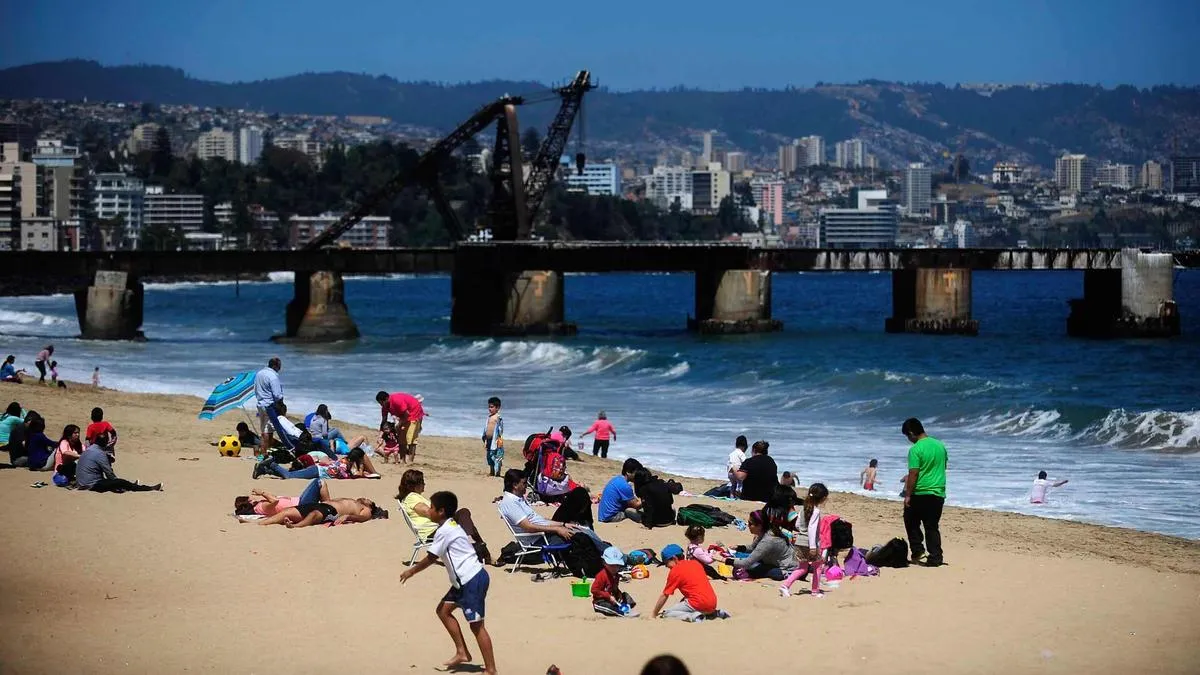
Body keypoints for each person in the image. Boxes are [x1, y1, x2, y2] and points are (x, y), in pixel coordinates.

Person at [400, 491, 498, 675]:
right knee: (443, 611)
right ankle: (462, 652)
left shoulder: (445, 531)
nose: (428, 510)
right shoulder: (449, 524)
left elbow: (431, 558)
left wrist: (411, 571)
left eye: (431, 507)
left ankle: (491, 670)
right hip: (464, 582)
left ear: (441, 511)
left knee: (477, 626)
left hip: (472, 580)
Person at [397, 469, 492, 563]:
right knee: (463, 513)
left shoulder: (412, 497)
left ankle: (481, 550)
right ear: (414, 485)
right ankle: (474, 546)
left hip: (436, 529)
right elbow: (428, 512)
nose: (424, 484)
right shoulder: (412, 497)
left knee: (464, 517)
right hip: (433, 532)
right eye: (422, 482)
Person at [498, 469, 604, 549]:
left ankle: (605, 550)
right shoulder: (510, 503)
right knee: (581, 535)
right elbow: (528, 527)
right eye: (524, 483)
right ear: (515, 485)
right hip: (538, 540)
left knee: (582, 528)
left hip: (545, 532)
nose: (526, 486)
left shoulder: (518, 499)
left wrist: (563, 524)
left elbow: (538, 520)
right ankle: (606, 552)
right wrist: (557, 529)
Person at [902, 418, 948, 567]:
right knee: (932, 526)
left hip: (921, 492)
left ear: (911, 433)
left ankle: (918, 551)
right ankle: (936, 557)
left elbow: (914, 473)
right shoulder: (940, 446)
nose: (908, 439)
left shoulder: (916, 449)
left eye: (907, 436)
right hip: (938, 492)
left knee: (910, 521)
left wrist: (908, 494)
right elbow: (943, 466)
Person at [779, 482, 829, 597]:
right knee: (818, 566)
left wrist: (802, 531)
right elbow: (812, 528)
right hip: (809, 543)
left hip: (800, 541)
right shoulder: (815, 511)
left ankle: (785, 585)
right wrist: (813, 546)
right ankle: (815, 591)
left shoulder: (803, 510)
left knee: (802, 567)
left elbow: (797, 525)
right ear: (822, 498)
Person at [652, 544, 724, 621]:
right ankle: (716, 613)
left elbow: (664, 595)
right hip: (713, 603)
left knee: (666, 613)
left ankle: (693, 616)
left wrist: (654, 614)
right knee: (689, 603)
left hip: (698, 604)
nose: (666, 566)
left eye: (666, 563)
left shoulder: (675, 570)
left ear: (675, 558)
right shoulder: (696, 564)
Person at [724, 509, 798, 581]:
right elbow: (753, 548)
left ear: (759, 526)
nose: (748, 526)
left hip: (787, 569)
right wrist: (738, 547)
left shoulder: (768, 540)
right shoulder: (765, 532)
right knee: (746, 564)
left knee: (753, 568)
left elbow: (746, 563)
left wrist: (724, 560)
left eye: (750, 524)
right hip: (774, 563)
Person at [75, 431, 161, 493]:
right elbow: (109, 473)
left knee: (117, 483)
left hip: (81, 483)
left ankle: (129, 485)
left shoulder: (89, 449)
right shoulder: (100, 453)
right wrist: (117, 482)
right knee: (120, 482)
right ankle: (149, 488)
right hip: (91, 485)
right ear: (105, 443)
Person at [256, 497, 386, 528]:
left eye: (368, 500)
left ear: (370, 506)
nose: (366, 498)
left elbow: (363, 518)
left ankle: (295, 526)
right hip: (321, 505)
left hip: (332, 511)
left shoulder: (367, 510)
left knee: (315, 515)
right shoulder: (355, 501)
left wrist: (348, 516)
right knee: (287, 511)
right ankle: (262, 523)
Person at [376, 390, 425, 460]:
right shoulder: (384, 406)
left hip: (414, 412)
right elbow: (384, 420)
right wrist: (380, 436)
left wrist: (399, 424)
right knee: (401, 439)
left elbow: (407, 415)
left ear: (386, 399)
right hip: (403, 415)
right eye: (379, 403)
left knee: (410, 438)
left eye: (381, 403)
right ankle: (403, 460)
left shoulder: (396, 401)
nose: (381, 405)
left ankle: (410, 460)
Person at [592, 545, 639, 617]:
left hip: (613, 599)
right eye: (612, 565)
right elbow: (594, 590)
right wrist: (608, 597)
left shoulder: (616, 575)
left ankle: (626, 608)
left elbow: (615, 588)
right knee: (607, 607)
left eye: (617, 565)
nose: (615, 568)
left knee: (625, 596)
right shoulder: (601, 575)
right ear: (604, 563)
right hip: (601, 601)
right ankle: (620, 613)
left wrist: (618, 594)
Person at [254, 357, 285, 456]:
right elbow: (277, 395)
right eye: (279, 367)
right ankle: (265, 453)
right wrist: (281, 405)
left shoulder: (259, 374)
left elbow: (256, 389)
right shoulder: (273, 376)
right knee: (269, 431)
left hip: (260, 404)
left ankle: (263, 452)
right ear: (275, 366)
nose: (279, 369)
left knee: (264, 429)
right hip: (270, 405)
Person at [597, 458, 644, 523]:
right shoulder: (625, 486)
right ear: (628, 472)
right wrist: (648, 497)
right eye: (637, 474)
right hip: (611, 517)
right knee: (630, 511)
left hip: (604, 515)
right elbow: (636, 505)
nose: (638, 476)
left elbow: (632, 500)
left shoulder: (617, 479)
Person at [482, 396, 504, 477]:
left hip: (496, 440)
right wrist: (485, 438)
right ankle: (491, 471)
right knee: (489, 456)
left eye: (491, 407)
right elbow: (486, 428)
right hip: (489, 440)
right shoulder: (489, 417)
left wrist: (499, 440)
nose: (489, 409)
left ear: (497, 408)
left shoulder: (498, 417)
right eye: (489, 407)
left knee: (497, 456)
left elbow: (500, 429)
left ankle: (497, 472)